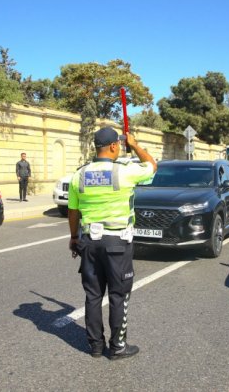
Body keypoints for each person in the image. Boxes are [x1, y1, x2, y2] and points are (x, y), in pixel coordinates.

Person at [67, 127, 157, 360]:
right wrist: (135, 145)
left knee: (93, 295)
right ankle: (117, 347)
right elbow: (152, 167)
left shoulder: (79, 174)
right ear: (115, 146)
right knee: (118, 295)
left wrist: (74, 237)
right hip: (117, 242)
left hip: (88, 242)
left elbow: (73, 211)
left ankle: (96, 346)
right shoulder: (125, 172)